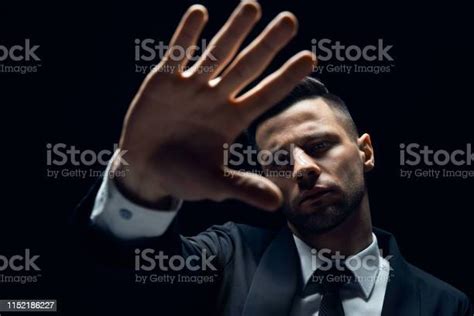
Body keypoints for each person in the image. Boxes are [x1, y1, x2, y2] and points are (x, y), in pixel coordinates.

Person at [74, 2, 472, 315]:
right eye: (280, 160)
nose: (302, 169)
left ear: (365, 152)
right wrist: (141, 180)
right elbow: (117, 279)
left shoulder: (446, 305)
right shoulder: (227, 258)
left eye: (318, 147)